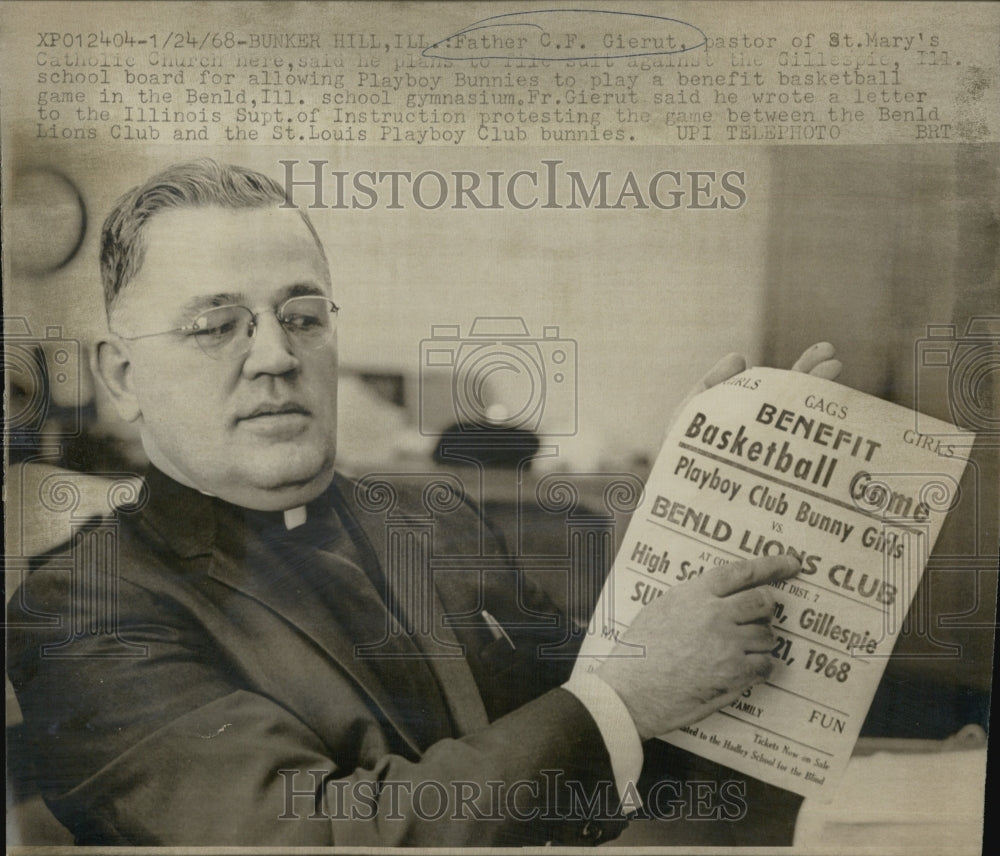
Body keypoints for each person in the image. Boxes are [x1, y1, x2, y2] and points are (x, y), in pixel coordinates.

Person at [6, 160, 842, 846]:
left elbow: (604, 753)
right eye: (215, 326)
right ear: (122, 377)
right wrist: (625, 697)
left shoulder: (433, 521)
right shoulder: (78, 611)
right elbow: (321, 840)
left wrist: (715, 524)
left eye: (302, 316)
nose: (274, 356)